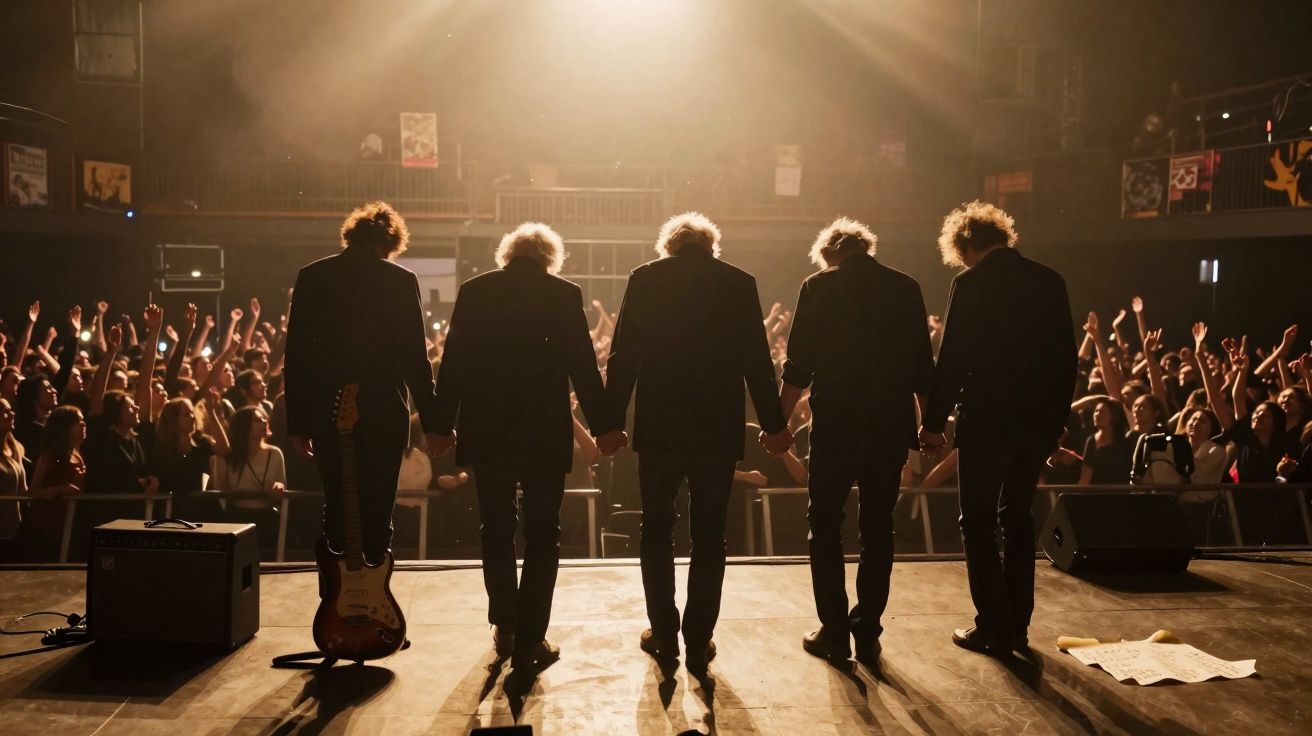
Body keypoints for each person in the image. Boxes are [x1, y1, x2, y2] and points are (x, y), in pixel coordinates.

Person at [431, 222, 621, 676]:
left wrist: (439, 426)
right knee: (543, 533)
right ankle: (532, 637)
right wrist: (606, 426)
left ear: (507, 255)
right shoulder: (563, 294)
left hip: (488, 431)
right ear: (548, 258)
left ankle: (505, 625)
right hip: (542, 432)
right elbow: (583, 366)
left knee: (495, 528)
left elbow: (453, 360)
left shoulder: (476, 291)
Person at [605, 212, 791, 671]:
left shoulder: (645, 278)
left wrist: (609, 421)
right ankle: (700, 637)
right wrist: (773, 424)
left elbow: (623, 354)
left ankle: (664, 635)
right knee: (710, 534)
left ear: (669, 246)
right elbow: (756, 360)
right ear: (712, 246)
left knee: (656, 527)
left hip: (661, 427)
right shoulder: (738, 281)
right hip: (716, 428)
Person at [919, 201, 1076, 656]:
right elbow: (1066, 359)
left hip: (986, 421)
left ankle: (993, 626)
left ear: (966, 242)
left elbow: (953, 359)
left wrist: (932, 426)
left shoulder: (970, 283)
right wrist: (1054, 425)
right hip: (1035, 426)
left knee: (979, 521)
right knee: (1019, 519)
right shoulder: (1050, 281)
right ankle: (1019, 626)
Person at [778, 217, 933, 664]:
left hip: (837, 425)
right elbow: (923, 364)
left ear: (829, 254)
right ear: (867, 248)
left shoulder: (818, 286)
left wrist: (779, 424)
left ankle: (834, 631)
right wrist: (932, 426)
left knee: (825, 526)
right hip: (888, 426)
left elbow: (799, 366)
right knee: (878, 529)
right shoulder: (906, 287)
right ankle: (867, 630)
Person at [285, 201, 446, 569]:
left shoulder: (312, 276)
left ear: (350, 235)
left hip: (329, 412)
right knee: (376, 512)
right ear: (391, 243)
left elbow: (296, 356)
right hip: (383, 415)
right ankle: (374, 603)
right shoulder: (400, 280)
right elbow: (414, 361)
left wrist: (298, 423)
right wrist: (436, 424)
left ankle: (335, 607)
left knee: (337, 509)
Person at [212, 406, 286, 548]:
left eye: (264, 418)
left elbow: (280, 486)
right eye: (258, 420)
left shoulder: (275, 453)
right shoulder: (230, 456)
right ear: (244, 426)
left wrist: (278, 488)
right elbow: (221, 489)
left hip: (266, 519)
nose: (264, 422)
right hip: (236, 518)